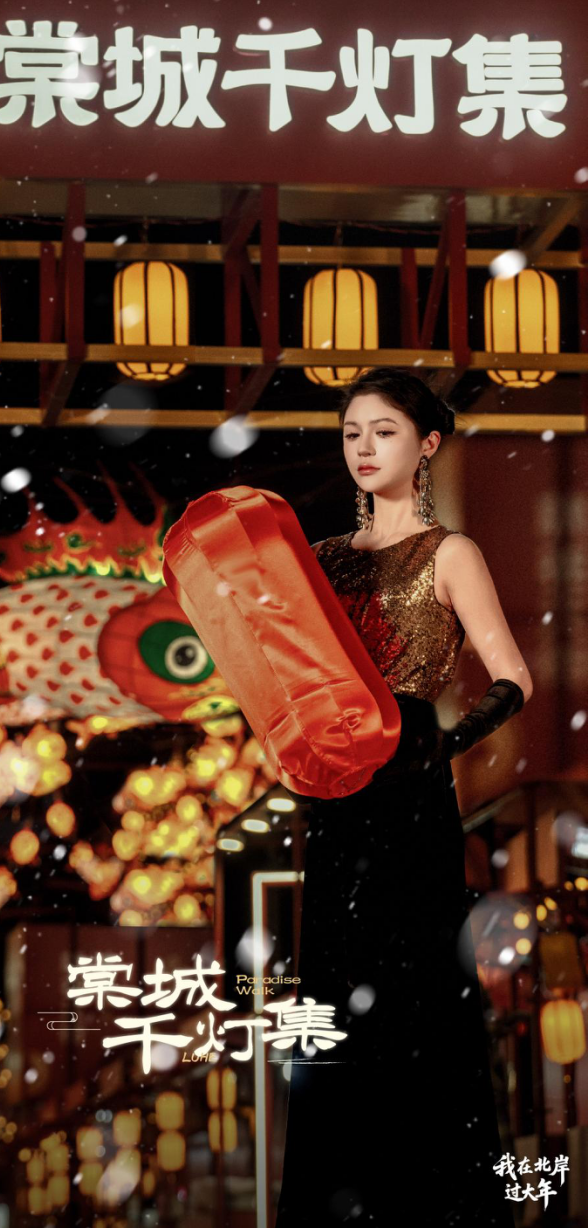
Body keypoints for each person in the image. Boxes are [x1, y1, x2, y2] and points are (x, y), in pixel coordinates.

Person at [274, 366, 533, 1228]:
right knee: (332, 992)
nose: (363, 447)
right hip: (338, 791)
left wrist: (442, 746)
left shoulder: (450, 553)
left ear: (425, 445)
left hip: (412, 782)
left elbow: (513, 676)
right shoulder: (318, 562)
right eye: (351, 432)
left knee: (417, 989)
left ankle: (432, 1205)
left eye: (382, 431)